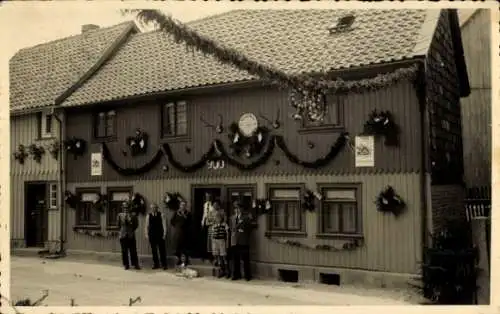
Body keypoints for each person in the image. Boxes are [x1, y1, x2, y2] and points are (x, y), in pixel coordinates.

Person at [229, 202, 253, 281]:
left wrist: (243, 232)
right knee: (235, 259)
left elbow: (249, 228)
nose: (237, 210)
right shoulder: (232, 218)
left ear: (242, 209)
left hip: (243, 240)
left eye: (238, 208)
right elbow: (231, 228)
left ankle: (247, 275)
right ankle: (236, 275)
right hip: (234, 240)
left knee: (245, 259)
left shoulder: (246, 218)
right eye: (236, 208)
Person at [117, 201, 140, 270]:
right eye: (124, 208)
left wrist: (131, 228)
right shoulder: (120, 215)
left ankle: (135, 264)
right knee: (124, 251)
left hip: (131, 235)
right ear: (122, 208)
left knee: (133, 251)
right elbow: (118, 225)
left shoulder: (133, 215)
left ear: (129, 208)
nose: (126, 209)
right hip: (123, 235)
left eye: (127, 207)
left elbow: (136, 225)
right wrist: (121, 232)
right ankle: (126, 264)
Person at [144, 203, 167, 270]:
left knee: (162, 250)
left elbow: (164, 225)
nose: (154, 209)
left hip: (160, 235)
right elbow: (146, 226)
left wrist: (164, 234)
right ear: (151, 209)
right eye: (152, 208)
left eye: (155, 207)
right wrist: (146, 234)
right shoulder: (148, 216)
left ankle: (164, 264)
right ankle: (156, 264)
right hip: (152, 235)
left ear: (157, 208)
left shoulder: (161, 215)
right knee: (154, 251)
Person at [171, 200, 191, 267]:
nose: (183, 206)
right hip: (178, 233)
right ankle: (179, 261)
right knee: (178, 247)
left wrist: (185, 218)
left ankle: (186, 261)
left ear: (186, 206)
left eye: (184, 205)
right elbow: (172, 221)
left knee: (185, 248)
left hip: (186, 233)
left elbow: (190, 222)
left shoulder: (188, 213)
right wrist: (177, 226)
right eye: (182, 205)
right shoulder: (176, 213)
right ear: (180, 206)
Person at [211, 211, 229, 278]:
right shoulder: (214, 225)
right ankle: (221, 271)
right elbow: (212, 236)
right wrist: (213, 244)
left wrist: (227, 243)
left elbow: (227, 234)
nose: (217, 218)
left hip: (222, 241)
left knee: (224, 256)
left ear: (221, 218)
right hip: (216, 241)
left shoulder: (224, 225)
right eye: (216, 217)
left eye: (219, 217)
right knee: (218, 256)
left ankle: (227, 271)